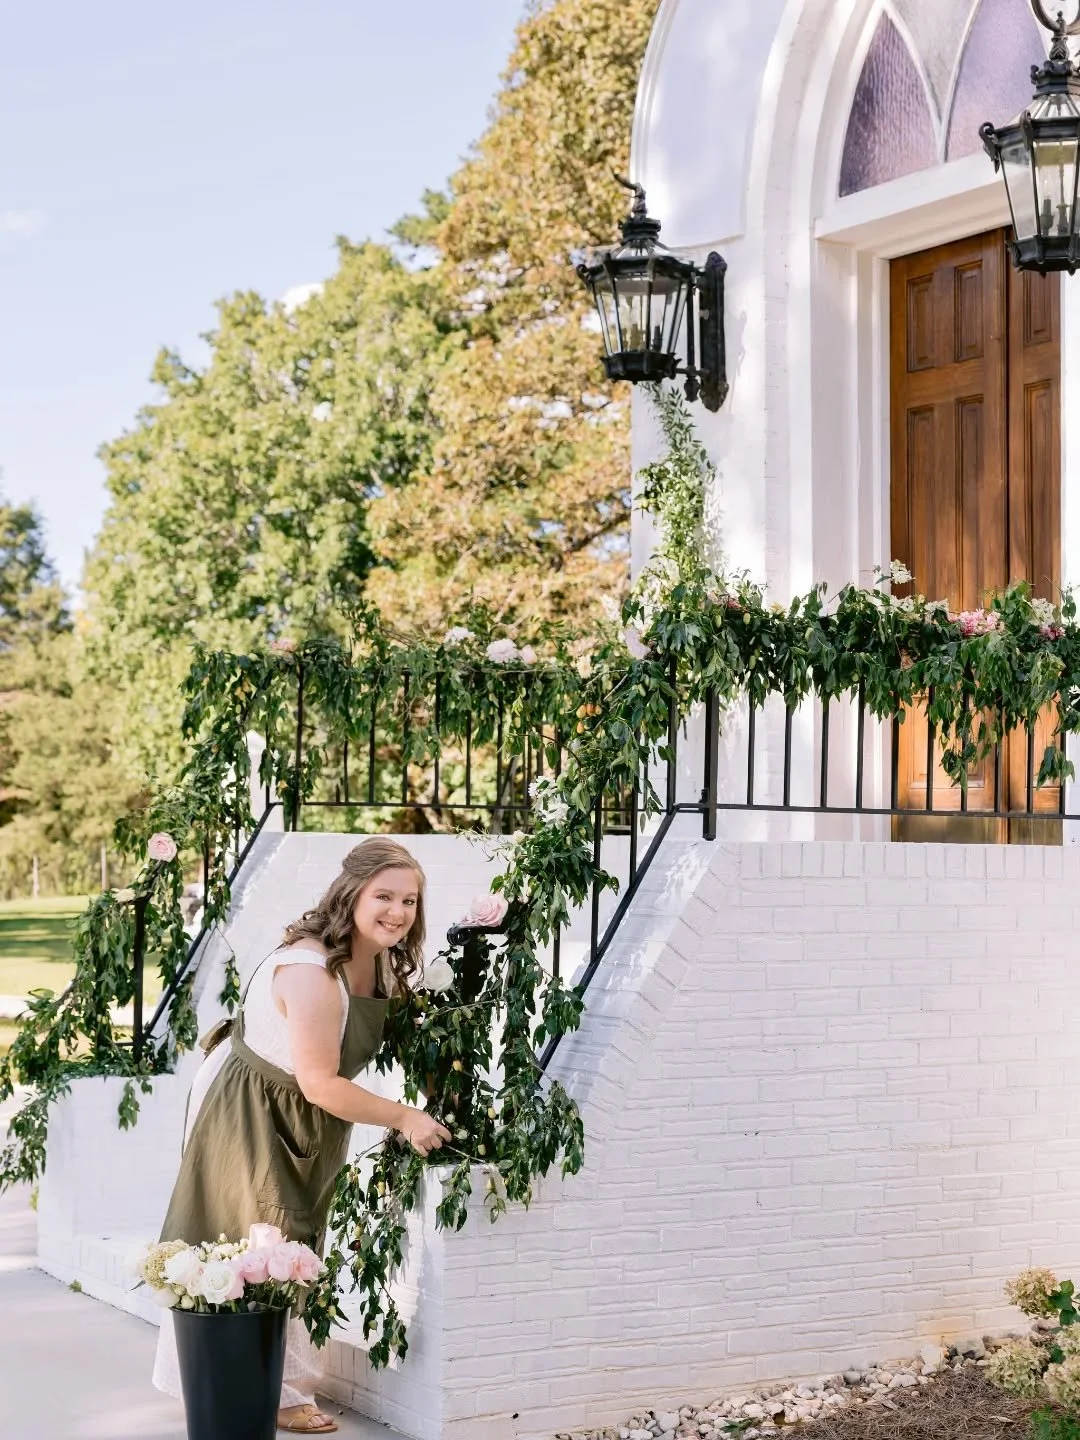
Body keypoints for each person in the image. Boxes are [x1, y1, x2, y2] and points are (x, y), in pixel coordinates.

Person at [152, 838, 452, 1435]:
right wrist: (404, 1117)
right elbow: (318, 1082)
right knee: (259, 1243)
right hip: (255, 1107)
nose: (398, 912)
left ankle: (263, 1380)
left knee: (295, 1242)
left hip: (306, 1113)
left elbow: (394, 1037)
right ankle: (274, 1392)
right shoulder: (312, 972)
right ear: (352, 894)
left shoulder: (381, 960)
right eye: (384, 896)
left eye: (410, 901)